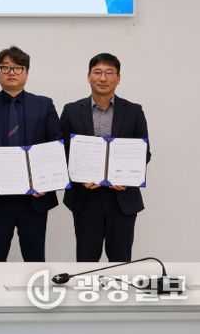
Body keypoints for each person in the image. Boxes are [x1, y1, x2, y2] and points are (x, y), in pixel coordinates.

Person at [0, 46, 61, 262]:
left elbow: (57, 145)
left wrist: (46, 182)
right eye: (5, 67)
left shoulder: (44, 104)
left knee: (35, 260)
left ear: (27, 73)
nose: (11, 72)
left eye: (18, 68)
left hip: (34, 197)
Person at [61, 53, 150, 262]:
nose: (103, 78)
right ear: (88, 76)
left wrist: (126, 176)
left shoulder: (134, 111)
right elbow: (62, 151)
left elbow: (144, 152)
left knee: (121, 261)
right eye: (98, 72)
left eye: (109, 73)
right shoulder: (71, 110)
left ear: (118, 78)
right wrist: (78, 176)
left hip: (122, 198)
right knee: (86, 261)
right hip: (85, 197)